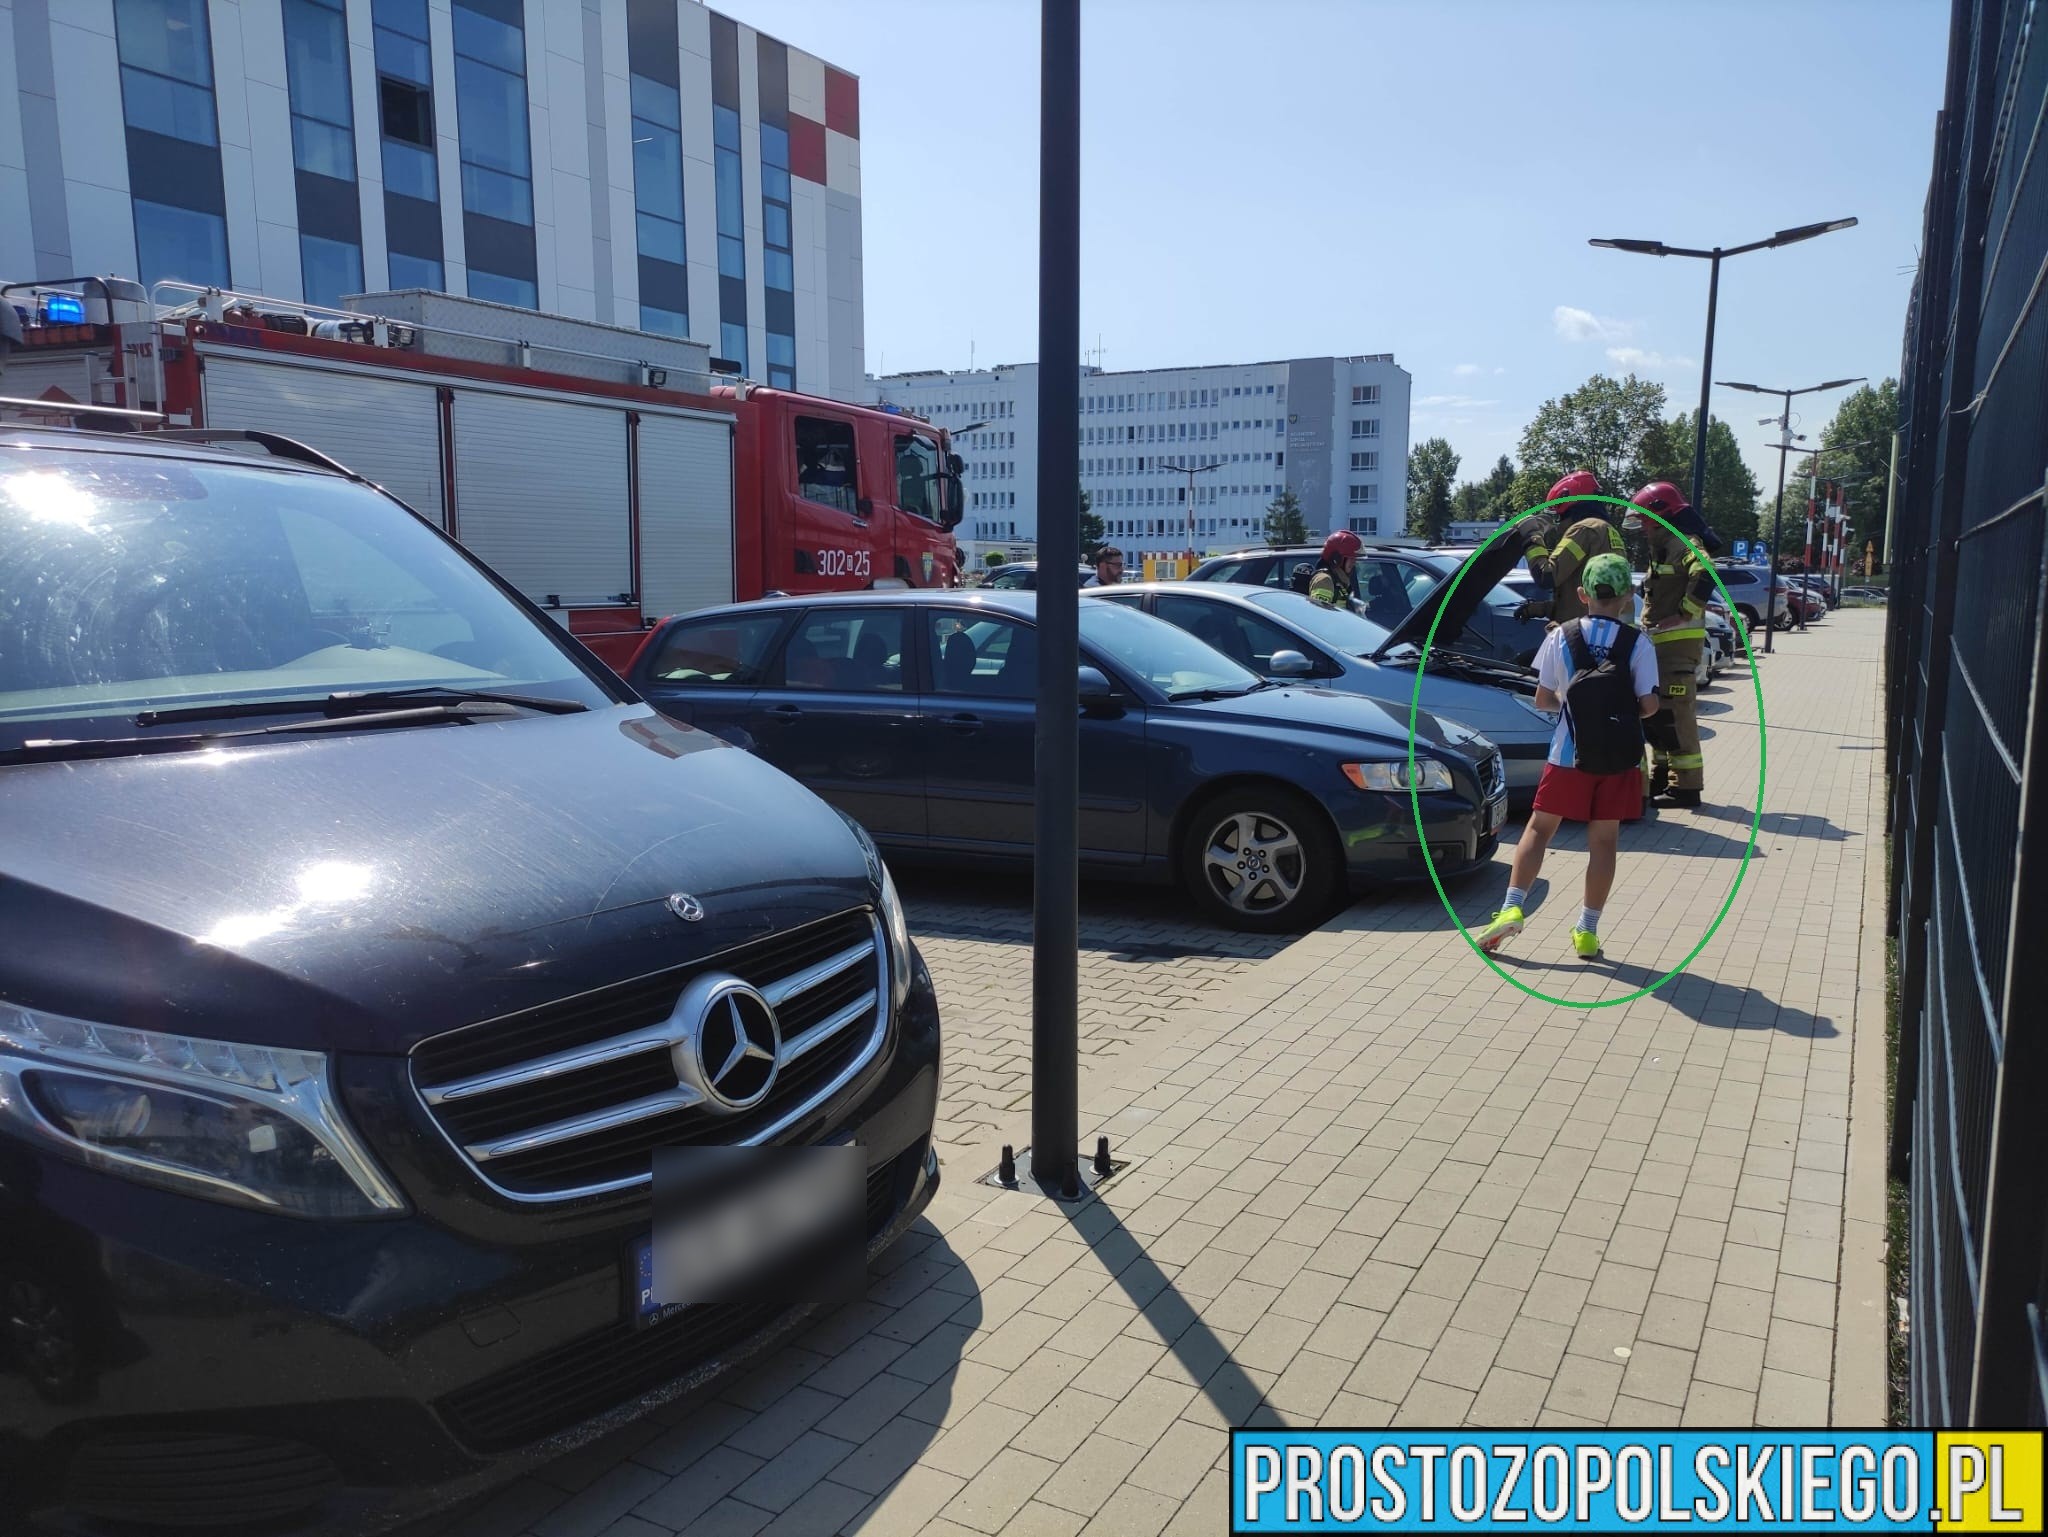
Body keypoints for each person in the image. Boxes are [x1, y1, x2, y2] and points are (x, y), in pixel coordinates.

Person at [1475, 553, 1660, 960]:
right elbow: (1648, 706)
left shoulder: (1561, 636)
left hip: (1567, 755)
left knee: (1540, 830)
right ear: (1627, 597)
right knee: (1604, 843)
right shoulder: (1638, 643)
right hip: (1618, 760)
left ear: (1582, 594)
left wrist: (1574, 702)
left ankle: (1510, 909)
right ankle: (1587, 931)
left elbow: (1543, 698)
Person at [1627, 480, 1716, 807]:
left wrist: (1684, 613)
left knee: (1678, 718)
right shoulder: (1664, 546)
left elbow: (1706, 571)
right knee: (1660, 717)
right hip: (1660, 650)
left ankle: (1687, 788)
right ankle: (1664, 777)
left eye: (1645, 520)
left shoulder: (1681, 543)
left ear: (1658, 515)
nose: (1643, 528)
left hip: (1677, 650)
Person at [1517, 470, 1629, 625]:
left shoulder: (1583, 530)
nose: (1559, 526)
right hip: (1603, 631)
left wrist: (1531, 535)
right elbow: (1587, 599)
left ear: (1570, 508)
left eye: (1559, 517)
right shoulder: (1607, 531)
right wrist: (1543, 609)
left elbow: (1546, 575)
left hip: (1580, 636)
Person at [1306, 529, 1362, 609]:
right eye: (1351, 558)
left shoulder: (1340, 581)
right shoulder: (1325, 580)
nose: (1354, 562)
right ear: (1337, 559)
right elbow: (1319, 614)